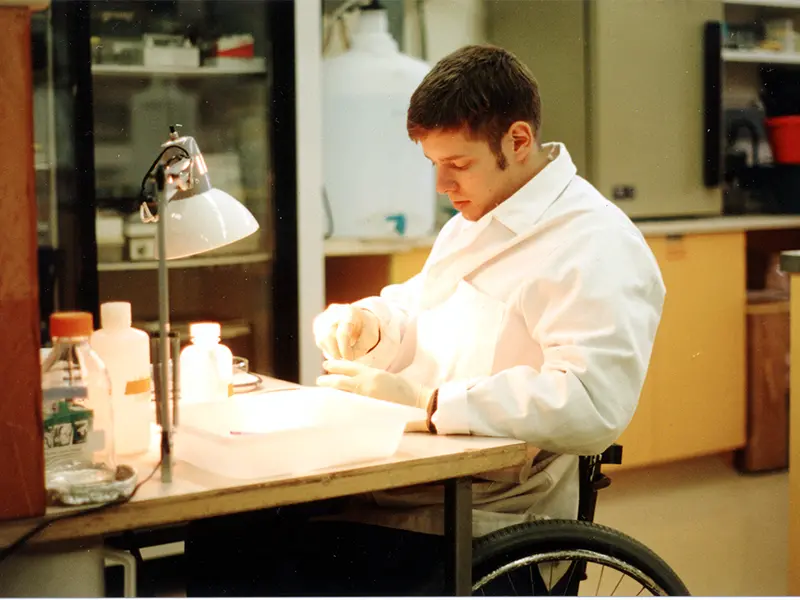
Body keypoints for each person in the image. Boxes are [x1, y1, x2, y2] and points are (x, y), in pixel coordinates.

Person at [185, 44, 665, 597]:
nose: (442, 186)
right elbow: (423, 306)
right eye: (434, 165)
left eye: (457, 164)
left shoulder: (595, 244)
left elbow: (591, 404)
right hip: (416, 479)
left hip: (483, 518)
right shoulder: (480, 214)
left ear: (518, 141)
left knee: (259, 556)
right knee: (225, 532)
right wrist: (372, 322)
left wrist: (429, 404)